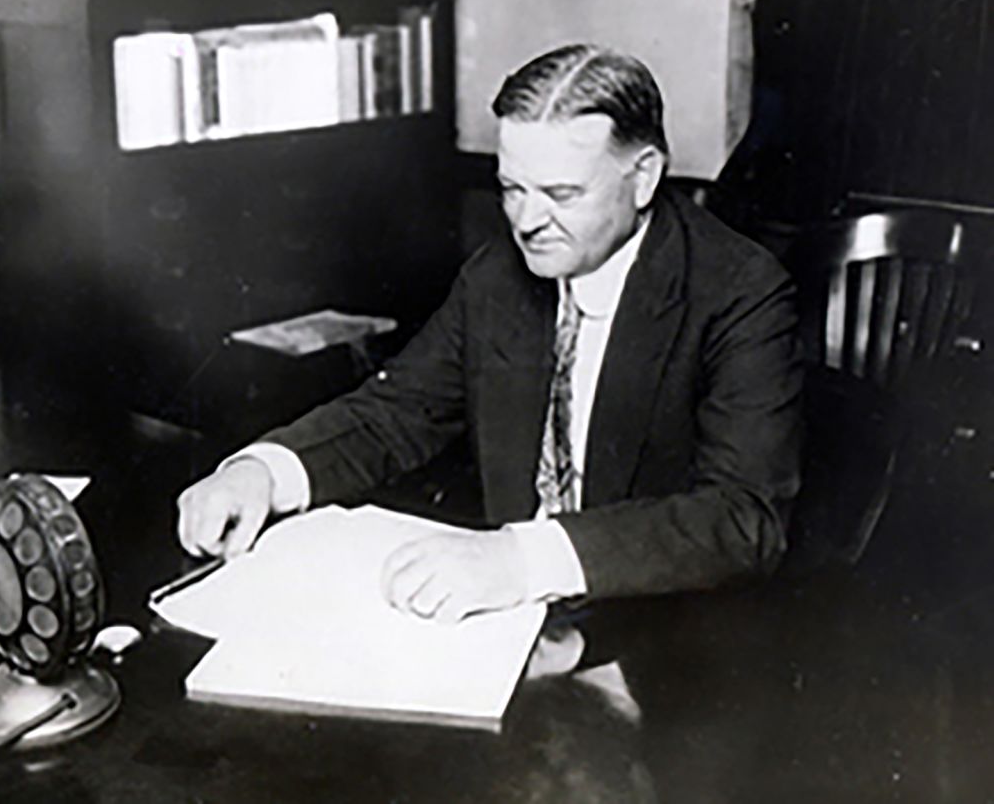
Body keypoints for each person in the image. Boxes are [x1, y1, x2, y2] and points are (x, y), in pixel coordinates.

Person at [177, 44, 802, 626]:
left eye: (561, 193)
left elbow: (743, 519)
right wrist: (264, 470)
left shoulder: (738, 291)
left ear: (642, 177)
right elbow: (397, 410)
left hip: (654, 630)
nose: (527, 222)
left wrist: (522, 559)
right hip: (501, 620)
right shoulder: (500, 275)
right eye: (511, 189)